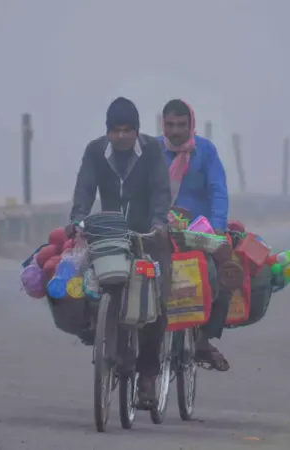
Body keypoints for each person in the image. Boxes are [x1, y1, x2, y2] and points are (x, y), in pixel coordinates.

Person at [69, 97, 172, 404]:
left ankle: (148, 376)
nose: (122, 136)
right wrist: (78, 220)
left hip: (148, 236)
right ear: (108, 131)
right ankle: (101, 333)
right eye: (116, 130)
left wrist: (159, 223)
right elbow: (84, 188)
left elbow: (161, 190)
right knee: (89, 286)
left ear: (137, 131)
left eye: (128, 130)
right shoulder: (95, 152)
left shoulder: (152, 150)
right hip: (109, 234)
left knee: (155, 302)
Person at [158, 99, 232, 371]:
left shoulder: (206, 152)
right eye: (170, 125)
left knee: (216, 276)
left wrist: (218, 230)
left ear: (191, 125)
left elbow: (218, 191)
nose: (175, 131)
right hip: (160, 229)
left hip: (199, 232)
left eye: (181, 125)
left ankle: (202, 340)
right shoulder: (152, 151)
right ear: (162, 125)